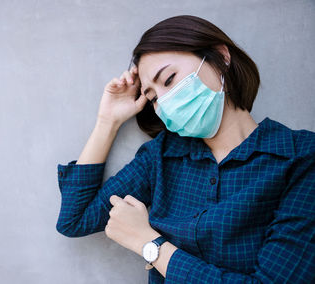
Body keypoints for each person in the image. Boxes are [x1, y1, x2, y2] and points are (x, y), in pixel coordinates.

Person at [55, 15, 315, 283]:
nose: (165, 102)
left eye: (168, 80)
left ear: (220, 57)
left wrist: (150, 245)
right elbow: (75, 218)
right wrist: (107, 121)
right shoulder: (162, 156)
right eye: (153, 98)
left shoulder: (301, 157)